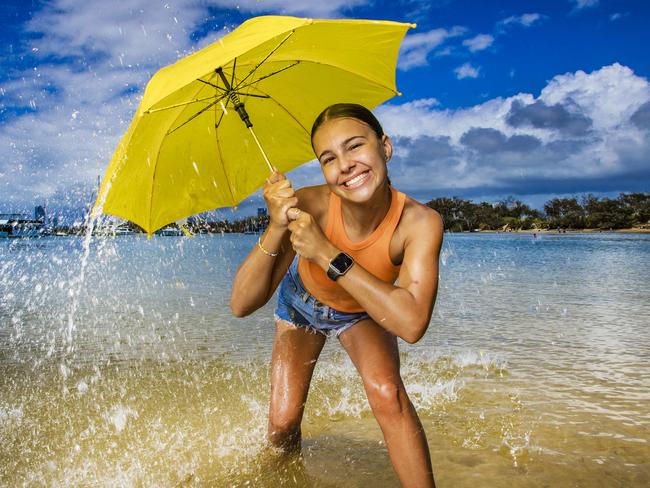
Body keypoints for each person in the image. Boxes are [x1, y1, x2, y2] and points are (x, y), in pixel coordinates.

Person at [230, 103, 443, 487]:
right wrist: (277, 226)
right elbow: (241, 303)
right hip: (301, 303)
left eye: (355, 146)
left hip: (364, 308)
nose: (345, 165)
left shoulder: (420, 222)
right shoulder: (308, 206)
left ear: (385, 147)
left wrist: (326, 252)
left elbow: (411, 323)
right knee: (282, 423)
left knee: (387, 395)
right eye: (329, 158)